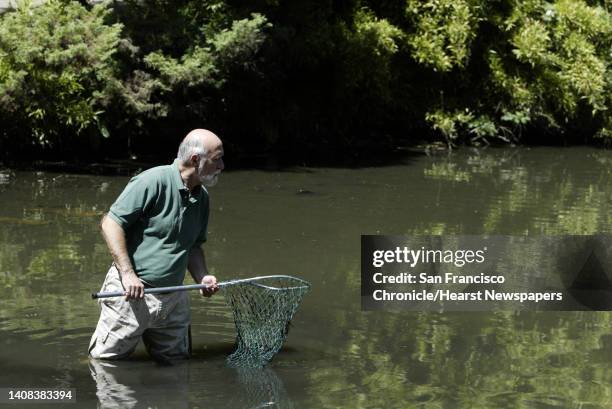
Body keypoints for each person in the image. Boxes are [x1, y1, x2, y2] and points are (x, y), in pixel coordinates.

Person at [89, 129, 224, 361]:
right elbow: (110, 224)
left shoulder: (202, 197)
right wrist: (128, 274)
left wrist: (202, 277)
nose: (221, 165)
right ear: (195, 160)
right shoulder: (151, 181)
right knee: (106, 366)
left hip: (175, 297)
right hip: (131, 293)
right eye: (216, 159)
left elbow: (193, 246)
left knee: (177, 366)